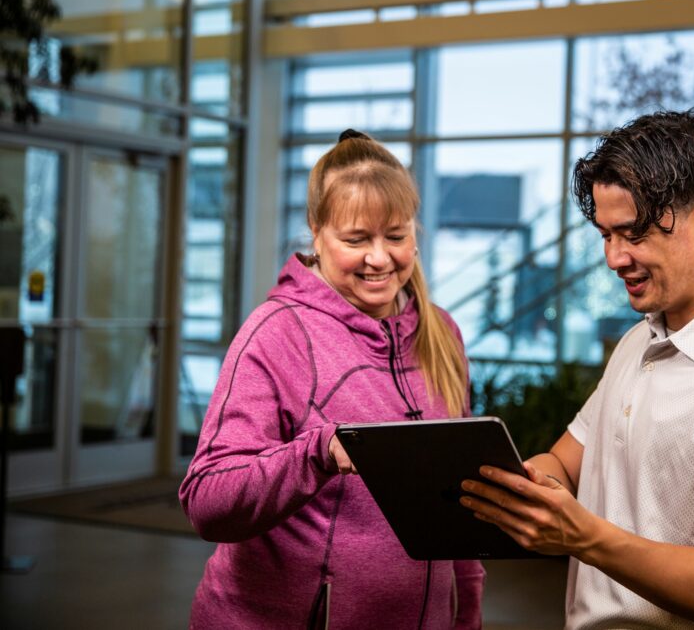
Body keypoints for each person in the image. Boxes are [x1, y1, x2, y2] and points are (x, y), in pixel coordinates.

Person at [460, 109, 694, 629]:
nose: (615, 258)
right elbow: (569, 465)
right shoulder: (640, 340)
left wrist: (586, 538)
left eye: (633, 233)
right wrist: (524, 491)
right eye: (605, 235)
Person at [179, 130, 484, 629]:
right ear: (316, 232)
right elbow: (207, 501)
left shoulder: (441, 332)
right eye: (356, 239)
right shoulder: (278, 334)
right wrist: (316, 453)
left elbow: (456, 511)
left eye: (396, 235)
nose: (380, 258)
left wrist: (466, 612)